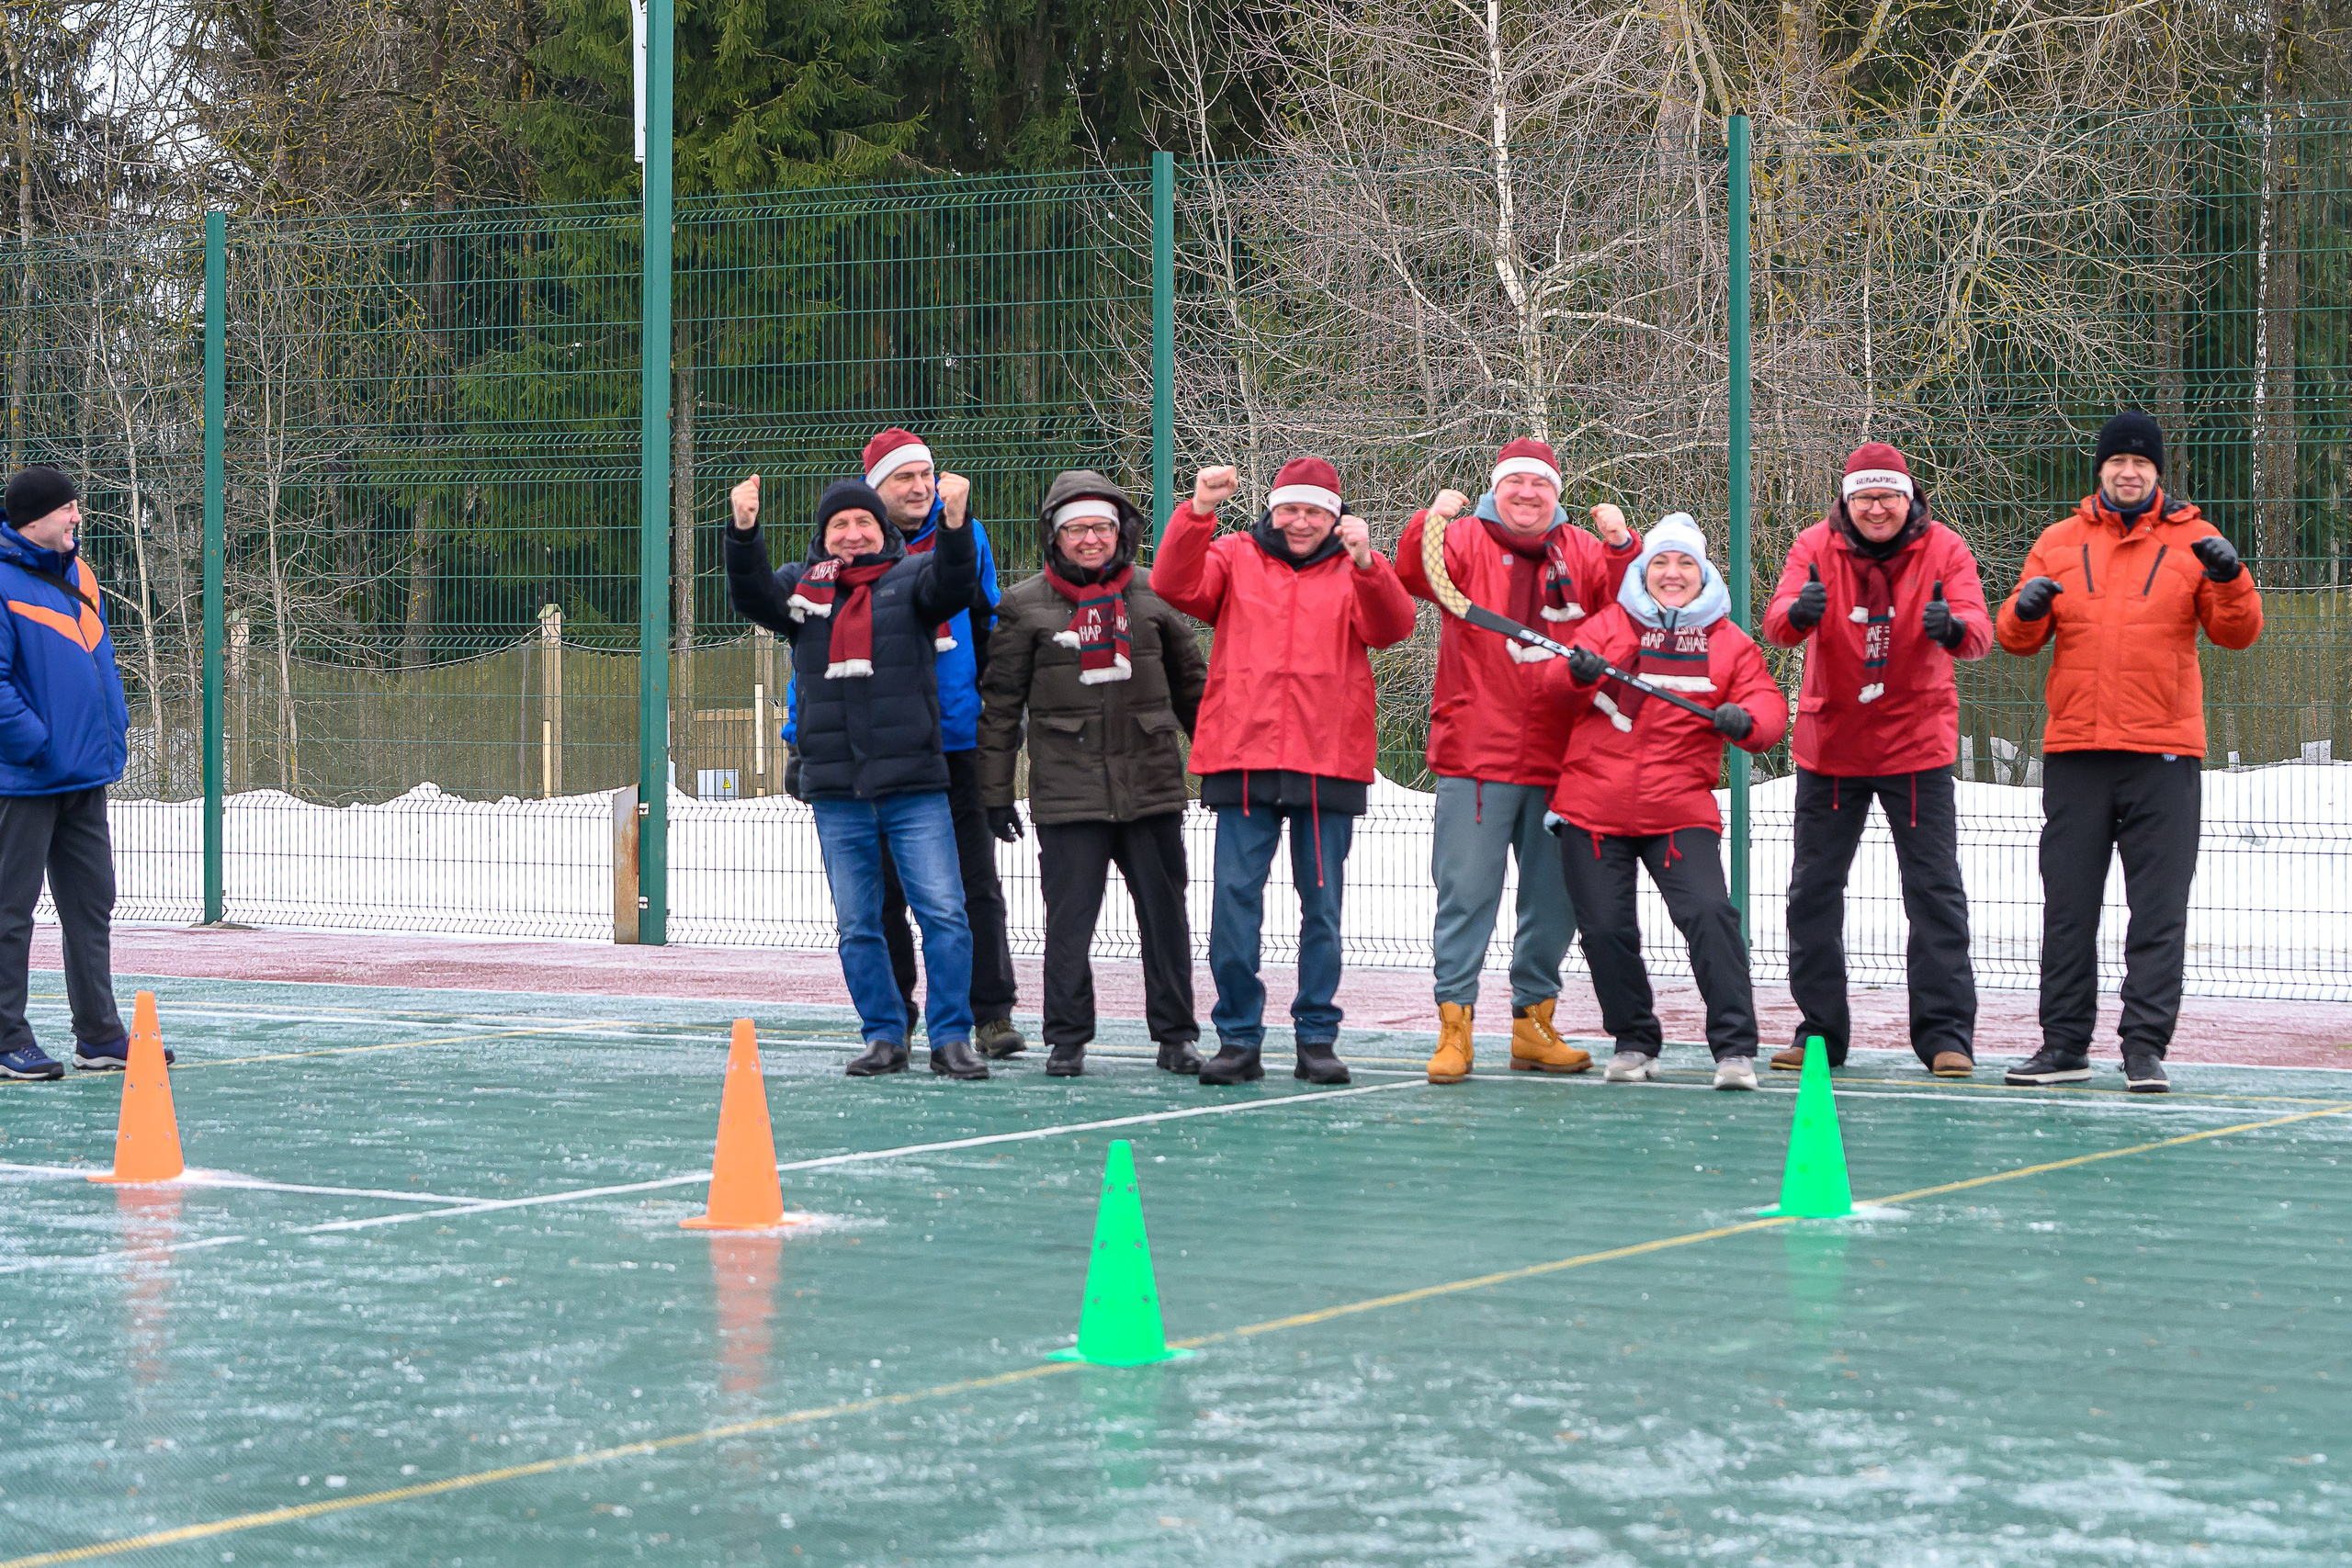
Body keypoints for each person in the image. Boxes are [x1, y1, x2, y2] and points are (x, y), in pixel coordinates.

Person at [1996, 411, 2262, 1094]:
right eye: (2118, 462)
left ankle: (2144, 1047)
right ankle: (2063, 1045)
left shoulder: (2197, 541)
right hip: (2077, 751)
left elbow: (2238, 634)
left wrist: (2233, 579)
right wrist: (2024, 609)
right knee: (2069, 908)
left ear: (2158, 473)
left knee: (2159, 909)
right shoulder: (2058, 542)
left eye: (2141, 464)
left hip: (2164, 754)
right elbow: (2016, 638)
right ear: (2101, 469)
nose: (2128, 471)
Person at [1152, 457, 1418, 1087]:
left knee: (1321, 909)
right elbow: (1172, 583)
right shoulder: (1233, 554)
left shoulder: (1354, 567)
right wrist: (1195, 513)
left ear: (1336, 515)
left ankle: (1316, 1037)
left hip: (1328, 767)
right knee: (1233, 905)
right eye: (1291, 508)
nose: (1301, 521)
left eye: (1315, 510)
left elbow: (1394, 626)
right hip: (1242, 761)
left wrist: (1368, 564)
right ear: (1273, 509)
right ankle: (1238, 1037)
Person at [724, 469, 989, 1080]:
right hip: (838, 792)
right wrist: (743, 531)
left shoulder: (914, 578)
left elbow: (956, 585)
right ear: (823, 536)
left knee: (945, 913)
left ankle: (952, 1036)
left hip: (915, 787)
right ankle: (884, 1034)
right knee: (857, 923)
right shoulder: (803, 591)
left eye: (863, 522)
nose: (851, 533)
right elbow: (752, 596)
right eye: (838, 524)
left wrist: (953, 524)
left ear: (882, 530)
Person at [1397, 437, 1640, 1083]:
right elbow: (1417, 574)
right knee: (1466, 894)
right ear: (1495, 489)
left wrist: (1621, 545)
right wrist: (1431, 518)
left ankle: (1534, 1022)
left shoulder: (1582, 551)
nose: (1528, 494)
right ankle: (1456, 1027)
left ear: (1556, 494)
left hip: (1564, 757)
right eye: (1515, 484)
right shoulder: (1466, 538)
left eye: (1541, 484)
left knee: (1553, 900)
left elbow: (1632, 607)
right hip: (1475, 754)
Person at [1762, 441, 1993, 1078]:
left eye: (1887, 495)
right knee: (1812, 891)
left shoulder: (1945, 548)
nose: (1876, 508)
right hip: (1831, 745)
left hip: (1916, 745)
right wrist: (1797, 613)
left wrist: (1953, 628)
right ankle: (1820, 1032)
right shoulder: (1814, 546)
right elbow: (1776, 621)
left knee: (1934, 890)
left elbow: (1980, 630)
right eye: (1864, 496)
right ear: (1846, 499)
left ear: (1908, 496)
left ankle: (1946, 1034)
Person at [976, 471, 1208, 1077]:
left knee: (1165, 917)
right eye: (1076, 528)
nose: (1089, 539)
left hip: (1152, 786)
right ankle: (1068, 1038)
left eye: (1100, 527)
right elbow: (999, 708)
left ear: (1120, 532)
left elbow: (1196, 692)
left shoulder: (1155, 594)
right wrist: (994, 793)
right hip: (1067, 793)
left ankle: (1177, 1035)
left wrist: (1219, 768)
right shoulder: (1023, 606)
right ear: (1055, 536)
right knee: (1069, 922)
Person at [1547, 513, 1786, 1089]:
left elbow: (1768, 710)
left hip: (1679, 808)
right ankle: (1634, 1040)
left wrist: (1746, 719)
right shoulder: (1609, 626)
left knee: (1709, 915)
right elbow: (1554, 695)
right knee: (1604, 930)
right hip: (1592, 808)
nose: (1672, 573)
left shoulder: (1729, 642)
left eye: (1684, 563)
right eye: (1660, 562)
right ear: (1642, 571)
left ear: (1703, 574)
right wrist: (1575, 674)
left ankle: (1734, 1050)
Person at [853, 428, 1024, 1060]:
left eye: (927, 474)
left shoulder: (967, 537)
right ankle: (894, 1017)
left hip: (959, 742)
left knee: (974, 884)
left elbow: (991, 625)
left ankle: (992, 1013)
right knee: (885, 891)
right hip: (885, 748)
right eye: (905, 477)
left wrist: (998, 719)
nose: (921, 486)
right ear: (877, 489)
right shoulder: (854, 546)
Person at [0, 466, 139, 1081]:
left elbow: (99, 655)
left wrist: (117, 719)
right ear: (34, 521)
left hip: (84, 774)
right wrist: (40, 745)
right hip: (25, 780)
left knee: (92, 903)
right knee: (10, 911)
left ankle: (100, 1034)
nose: (78, 518)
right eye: (68, 509)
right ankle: (7, 1037)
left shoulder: (80, 573)